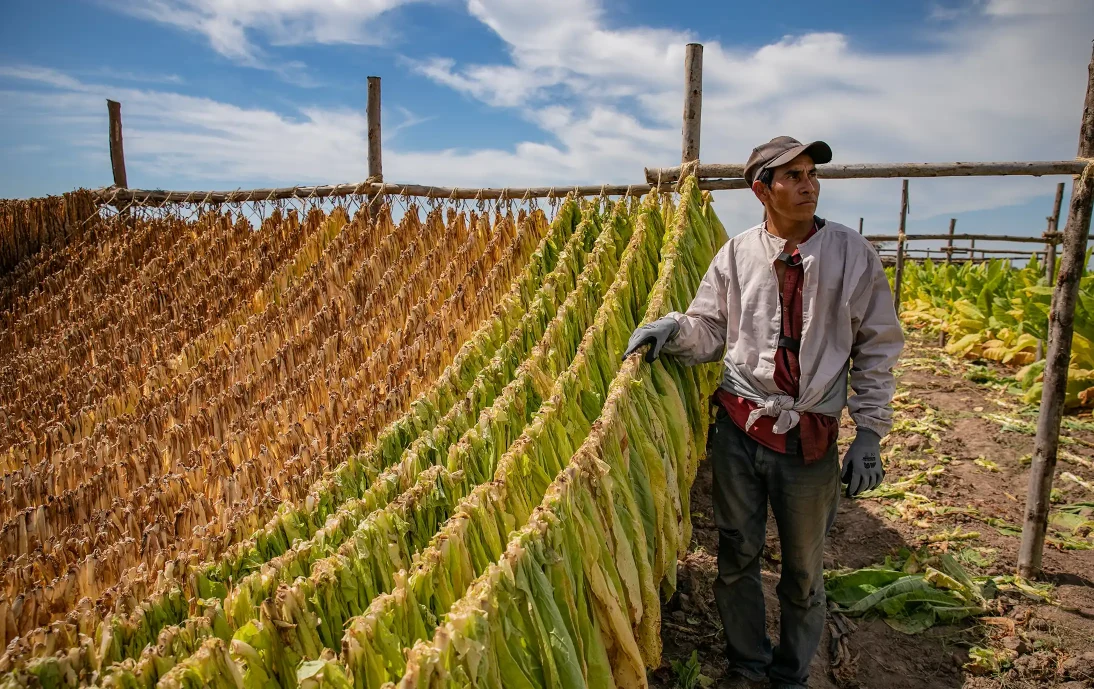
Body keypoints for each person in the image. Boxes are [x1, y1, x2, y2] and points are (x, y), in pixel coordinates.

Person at [624, 136, 904, 689]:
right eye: (793, 176)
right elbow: (710, 328)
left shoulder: (852, 254)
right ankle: (747, 665)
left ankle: (791, 675)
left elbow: (877, 346)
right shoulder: (736, 254)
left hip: (809, 437)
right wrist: (672, 329)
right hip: (740, 429)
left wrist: (870, 432)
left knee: (803, 570)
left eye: (812, 174)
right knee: (736, 556)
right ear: (761, 190)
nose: (809, 185)